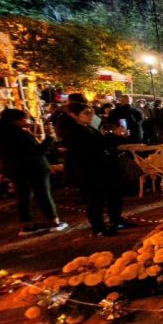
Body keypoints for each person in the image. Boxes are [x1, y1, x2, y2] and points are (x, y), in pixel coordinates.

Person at [60, 102, 133, 237]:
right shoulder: (75, 132)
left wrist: (118, 137)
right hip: (92, 171)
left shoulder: (87, 127)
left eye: (91, 113)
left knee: (113, 196)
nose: (90, 116)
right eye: (86, 113)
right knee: (96, 200)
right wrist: (113, 136)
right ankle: (98, 228)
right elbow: (93, 148)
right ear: (73, 115)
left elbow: (103, 144)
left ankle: (115, 221)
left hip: (103, 168)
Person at [0, 109, 68, 236]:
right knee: (43, 194)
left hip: (15, 169)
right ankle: (54, 221)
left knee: (23, 196)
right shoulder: (19, 135)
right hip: (33, 168)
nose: (27, 121)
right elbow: (37, 151)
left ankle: (27, 224)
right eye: (25, 119)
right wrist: (49, 139)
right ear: (16, 120)